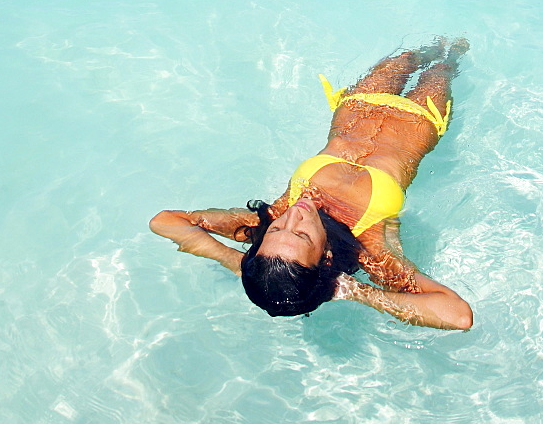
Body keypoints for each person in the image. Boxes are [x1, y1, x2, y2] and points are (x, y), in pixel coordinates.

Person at [149, 39, 473, 329]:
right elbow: (457, 315)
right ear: (326, 258)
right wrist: (349, 290)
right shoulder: (372, 248)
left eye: (275, 232)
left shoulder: (265, 218)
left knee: (411, 54)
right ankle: (453, 50)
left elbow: (165, 222)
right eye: (302, 235)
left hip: (360, 103)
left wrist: (237, 261)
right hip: (420, 116)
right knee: (445, 63)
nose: (293, 216)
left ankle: (434, 46)